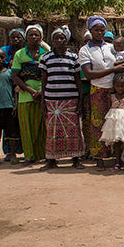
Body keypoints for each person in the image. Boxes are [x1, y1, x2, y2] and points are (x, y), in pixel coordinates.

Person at [80, 16, 124, 168]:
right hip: (98, 89)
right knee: (98, 123)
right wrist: (113, 69)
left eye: (102, 30)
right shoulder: (85, 50)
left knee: (116, 122)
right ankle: (99, 157)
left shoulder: (109, 47)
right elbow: (88, 74)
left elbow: (116, 62)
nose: (99, 33)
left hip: (115, 89)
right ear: (90, 31)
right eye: (96, 30)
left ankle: (116, 156)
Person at [38, 27, 85, 169]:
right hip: (52, 101)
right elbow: (44, 81)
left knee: (74, 130)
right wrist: (42, 102)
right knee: (52, 131)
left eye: (62, 38)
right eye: (56, 38)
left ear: (66, 40)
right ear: (52, 40)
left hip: (70, 99)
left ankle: (76, 158)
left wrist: (80, 100)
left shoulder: (73, 57)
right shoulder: (46, 58)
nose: (59, 41)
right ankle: (52, 160)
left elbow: (78, 80)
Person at [11, 24, 49, 164]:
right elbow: (15, 76)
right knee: (27, 127)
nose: (33, 37)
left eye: (36, 35)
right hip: (26, 95)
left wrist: (42, 91)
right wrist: (31, 90)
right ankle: (29, 155)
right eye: (31, 35)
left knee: (43, 127)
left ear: (41, 37)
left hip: (44, 94)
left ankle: (44, 155)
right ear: (26, 37)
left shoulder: (46, 53)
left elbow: (50, 73)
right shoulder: (20, 54)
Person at [100, 65, 124, 170]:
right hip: (114, 122)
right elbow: (108, 108)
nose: (120, 88)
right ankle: (117, 161)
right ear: (114, 86)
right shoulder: (111, 97)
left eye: (122, 86)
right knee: (116, 142)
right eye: (117, 86)